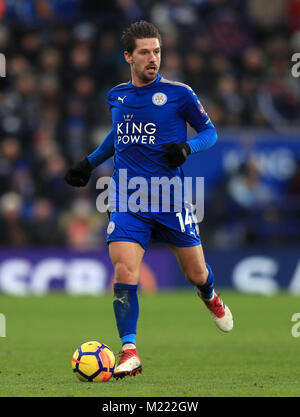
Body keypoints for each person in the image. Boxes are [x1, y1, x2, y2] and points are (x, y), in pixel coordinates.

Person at [64, 21, 233, 380]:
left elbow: (210, 132)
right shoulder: (116, 95)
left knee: (196, 272)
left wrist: (188, 147)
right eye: (144, 52)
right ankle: (129, 351)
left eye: (156, 51)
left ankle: (210, 296)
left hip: (172, 199)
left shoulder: (179, 94)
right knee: (124, 270)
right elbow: (118, 133)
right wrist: (89, 163)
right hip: (128, 197)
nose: (152, 58)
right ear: (128, 56)